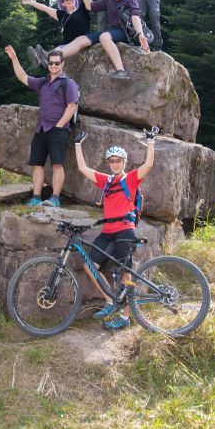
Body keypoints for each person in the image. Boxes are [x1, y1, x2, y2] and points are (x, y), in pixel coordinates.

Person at [73, 128, 156, 330]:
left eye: (118, 161)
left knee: (125, 274)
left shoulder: (131, 179)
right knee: (89, 266)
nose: (115, 164)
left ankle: (126, 317)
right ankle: (110, 301)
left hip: (125, 230)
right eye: (112, 161)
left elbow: (149, 164)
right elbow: (83, 168)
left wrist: (151, 141)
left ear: (124, 163)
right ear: (109, 163)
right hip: (107, 232)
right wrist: (77, 144)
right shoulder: (106, 180)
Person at [33, 0, 149, 80]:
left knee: (104, 36)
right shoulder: (110, 0)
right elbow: (89, 5)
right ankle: (51, 58)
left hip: (127, 33)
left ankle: (121, 71)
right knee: (81, 39)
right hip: (113, 32)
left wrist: (140, 34)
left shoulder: (130, 0)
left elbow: (135, 17)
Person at [4, 45, 79, 208]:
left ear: (63, 64)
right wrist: (14, 58)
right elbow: (23, 77)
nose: (53, 66)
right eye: (51, 63)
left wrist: (59, 126)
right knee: (37, 164)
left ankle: (55, 199)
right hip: (41, 129)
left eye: (57, 63)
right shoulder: (43, 82)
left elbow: (72, 106)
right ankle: (36, 197)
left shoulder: (69, 83)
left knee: (57, 164)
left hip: (59, 130)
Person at [20, 0, 90, 69]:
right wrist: (32, 2)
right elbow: (45, 8)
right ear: (63, 3)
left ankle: (43, 58)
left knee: (57, 52)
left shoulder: (82, 10)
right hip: (66, 45)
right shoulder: (62, 15)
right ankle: (39, 60)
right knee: (57, 49)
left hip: (82, 42)